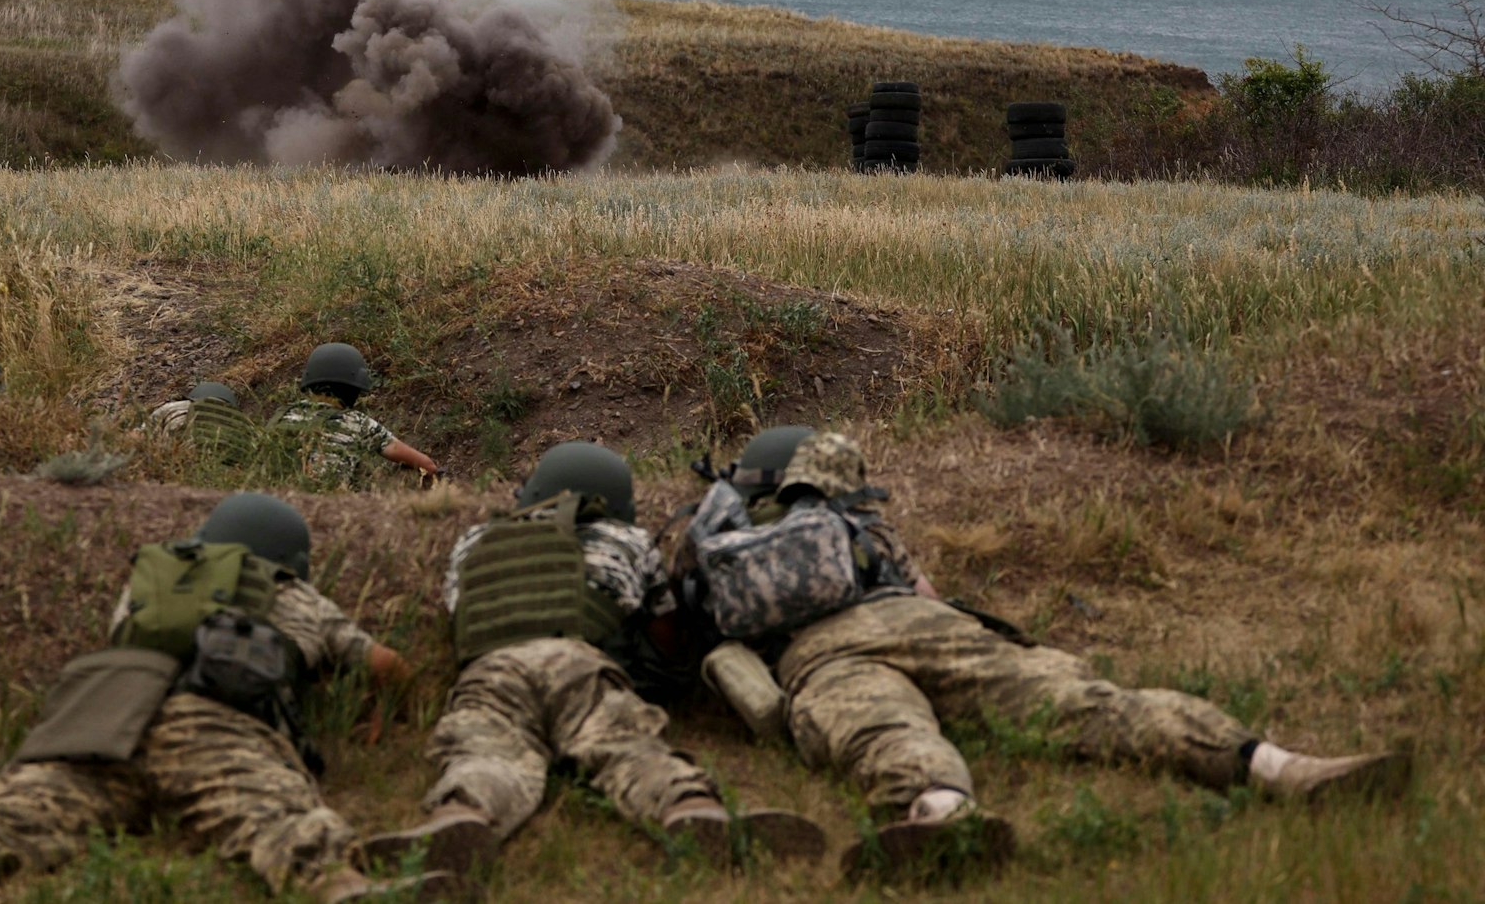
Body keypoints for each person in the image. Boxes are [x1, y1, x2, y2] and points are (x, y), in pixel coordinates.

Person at [682, 430, 1413, 878]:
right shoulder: (856, 525)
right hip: (923, 624)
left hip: (823, 660)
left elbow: (689, 641)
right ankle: (1276, 765)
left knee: (885, 733)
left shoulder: (718, 541)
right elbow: (929, 594)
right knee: (1087, 704)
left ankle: (942, 812)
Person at [0, 493, 454, 904]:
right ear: (289, 558)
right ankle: (345, 888)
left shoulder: (149, 585)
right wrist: (397, 695)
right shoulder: (292, 592)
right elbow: (382, 665)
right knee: (279, 822)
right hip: (213, 726)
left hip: (103, 720)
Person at [364, 442, 828, 877]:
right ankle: (690, 808)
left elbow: (459, 616)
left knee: (482, 753)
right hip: (578, 663)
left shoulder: (474, 541)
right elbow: (666, 635)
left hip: (493, 668)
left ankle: (461, 815)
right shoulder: (626, 539)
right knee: (626, 746)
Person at [270, 343, 436, 489]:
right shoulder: (357, 422)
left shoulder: (282, 414)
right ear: (353, 388)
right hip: (324, 506)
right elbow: (426, 465)